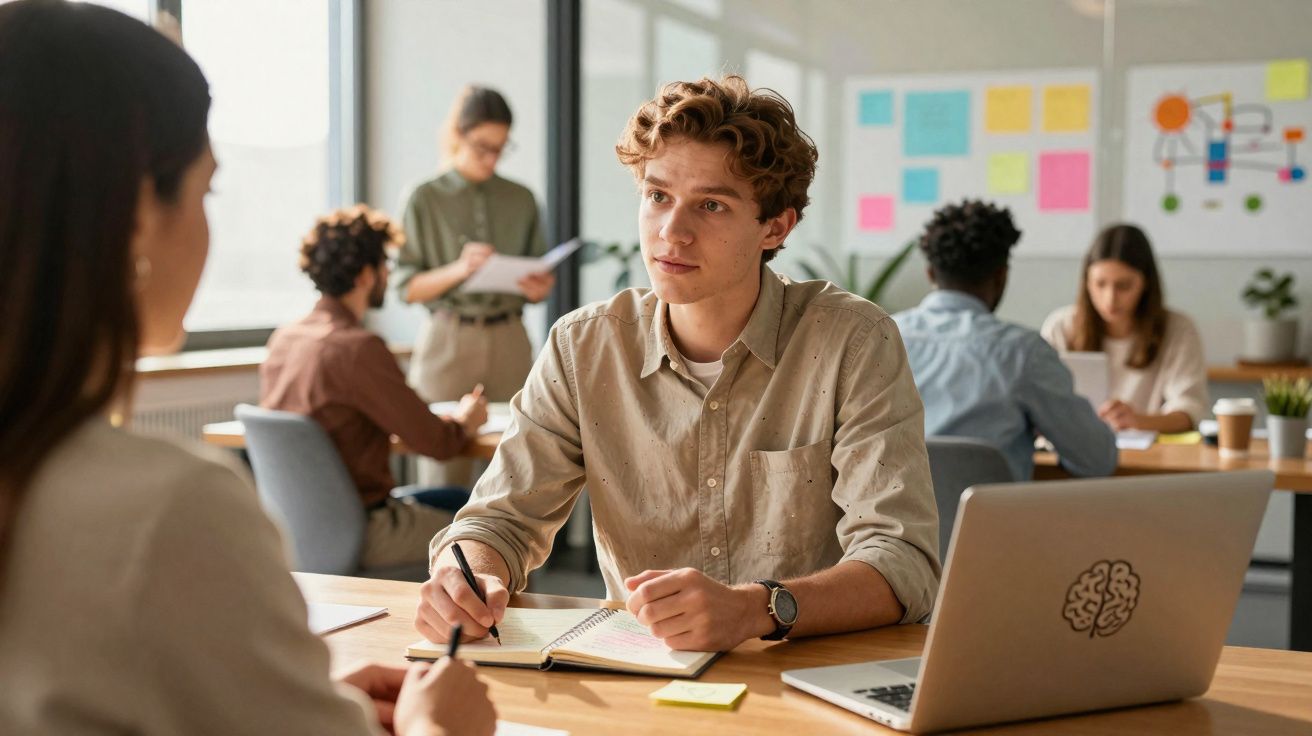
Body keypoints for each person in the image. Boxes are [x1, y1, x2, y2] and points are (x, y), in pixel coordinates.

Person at [0, 3, 494, 734]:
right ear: (140, 214)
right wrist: (438, 727)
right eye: (207, 192)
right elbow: (429, 438)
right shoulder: (169, 511)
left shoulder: (287, 339)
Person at [415, 75, 941, 654]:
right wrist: (468, 574)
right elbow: (497, 523)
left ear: (775, 226)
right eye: (658, 196)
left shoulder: (853, 341)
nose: (672, 232)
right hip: (646, 680)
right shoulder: (583, 346)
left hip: (809, 676)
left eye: (710, 205)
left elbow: (901, 564)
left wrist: (754, 609)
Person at [261, 205, 489, 570]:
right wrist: (466, 419)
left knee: (454, 497)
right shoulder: (356, 348)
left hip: (299, 527)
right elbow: (437, 443)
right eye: (385, 263)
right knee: (494, 536)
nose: (388, 272)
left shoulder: (284, 340)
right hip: (363, 527)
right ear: (366, 275)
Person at [892, 200, 1117, 482]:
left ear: (930, 274)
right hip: (989, 525)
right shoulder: (1023, 353)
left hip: (890, 525)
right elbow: (1097, 460)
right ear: (1001, 276)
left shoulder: (881, 338)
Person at [393, 85, 551, 488]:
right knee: (443, 474)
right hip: (447, 341)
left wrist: (537, 288)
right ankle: (443, 554)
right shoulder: (424, 198)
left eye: (501, 148)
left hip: (510, 340)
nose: (492, 158)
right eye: (483, 146)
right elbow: (405, 288)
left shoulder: (522, 199)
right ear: (458, 136)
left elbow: (538, 281)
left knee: (517, 473)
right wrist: (459, 270)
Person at [1041, 224, 1208, 433]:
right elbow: (1040, 401)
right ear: (1086, 283)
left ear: (1145, 283)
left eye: (1124, 286)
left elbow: (1190, 410)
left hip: (1152, 456)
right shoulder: (1060, 327)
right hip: (1077, 450)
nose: (1110, 299)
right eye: (1100, 284)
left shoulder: (1179, 330)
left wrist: (1138, 421)